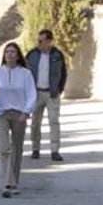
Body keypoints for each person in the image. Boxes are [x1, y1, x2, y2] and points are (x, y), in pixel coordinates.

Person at [0, 42, 38, 197]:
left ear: (18, 55)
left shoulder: (25, 74)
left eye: (13, 52)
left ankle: (14, 181)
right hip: (1, 113)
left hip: (19, 114)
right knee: (4, 147)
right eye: (7, 51)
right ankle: (8, 182)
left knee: (17, 149)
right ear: (4, 55)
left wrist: (26, 112)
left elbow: (31, 95)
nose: (9, 54)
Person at [25, 28, 68, 161]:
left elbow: (63, 73)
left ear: (49, 41)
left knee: (54, 122)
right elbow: (25, 73)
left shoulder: (57, 55)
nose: (38, 43)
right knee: (35, 123)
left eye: (41, 41)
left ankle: (55, 151)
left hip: (52, 94)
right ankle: (35, 149)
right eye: (38, 40)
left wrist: (59, 89)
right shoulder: (32, 54)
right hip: (36, 93)